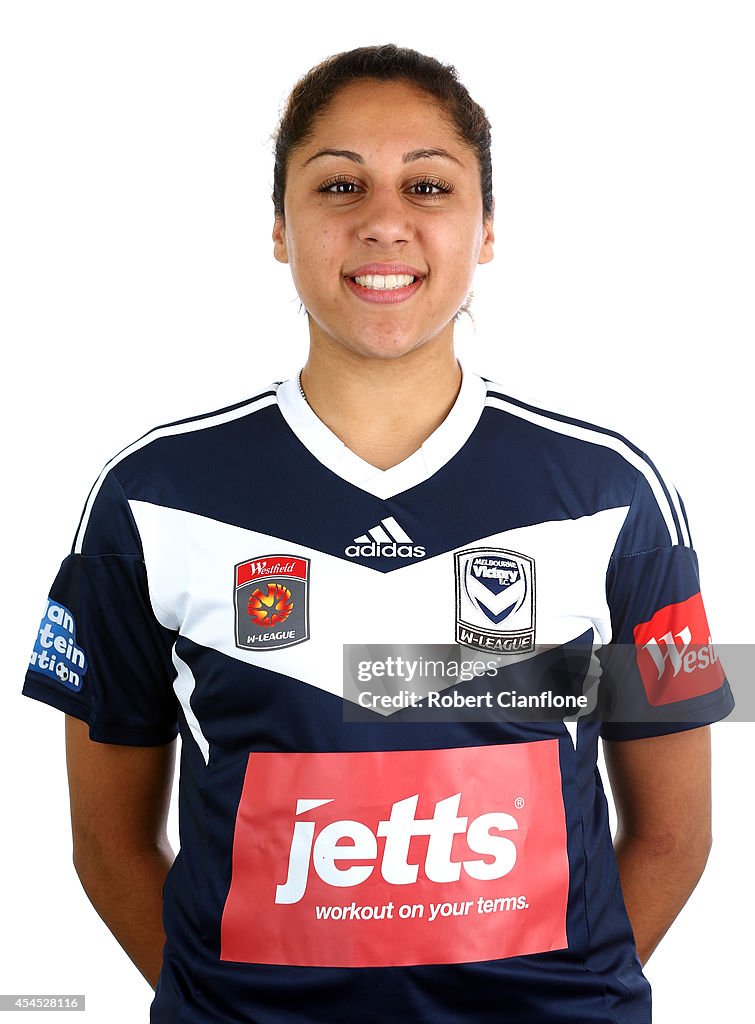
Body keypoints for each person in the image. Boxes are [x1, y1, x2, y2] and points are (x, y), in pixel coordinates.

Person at [23, 43, 734, 1024]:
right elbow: (106, 842)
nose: (384, 221)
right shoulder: (151, 495)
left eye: (428, 185)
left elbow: (673, 836)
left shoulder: (613, 491)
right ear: (280, 227)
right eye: (340, 183)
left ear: (484, 229)